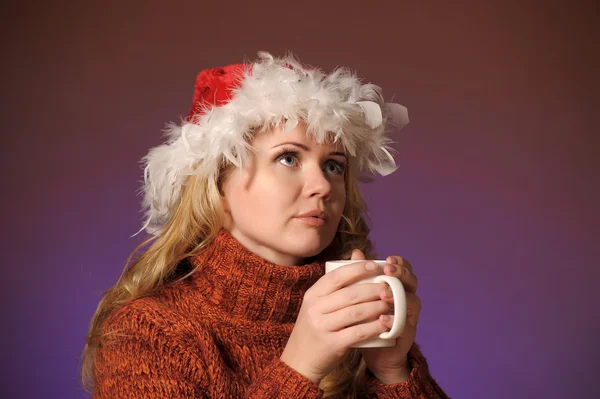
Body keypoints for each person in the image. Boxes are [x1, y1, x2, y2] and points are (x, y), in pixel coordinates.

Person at [81, 52, 449, 398]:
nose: (322, 186)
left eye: (333, 165)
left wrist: (393, 372)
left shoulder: (357, 322)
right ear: (217, 185)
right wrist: (300, 368)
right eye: (288, 158)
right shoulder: (148, 332)